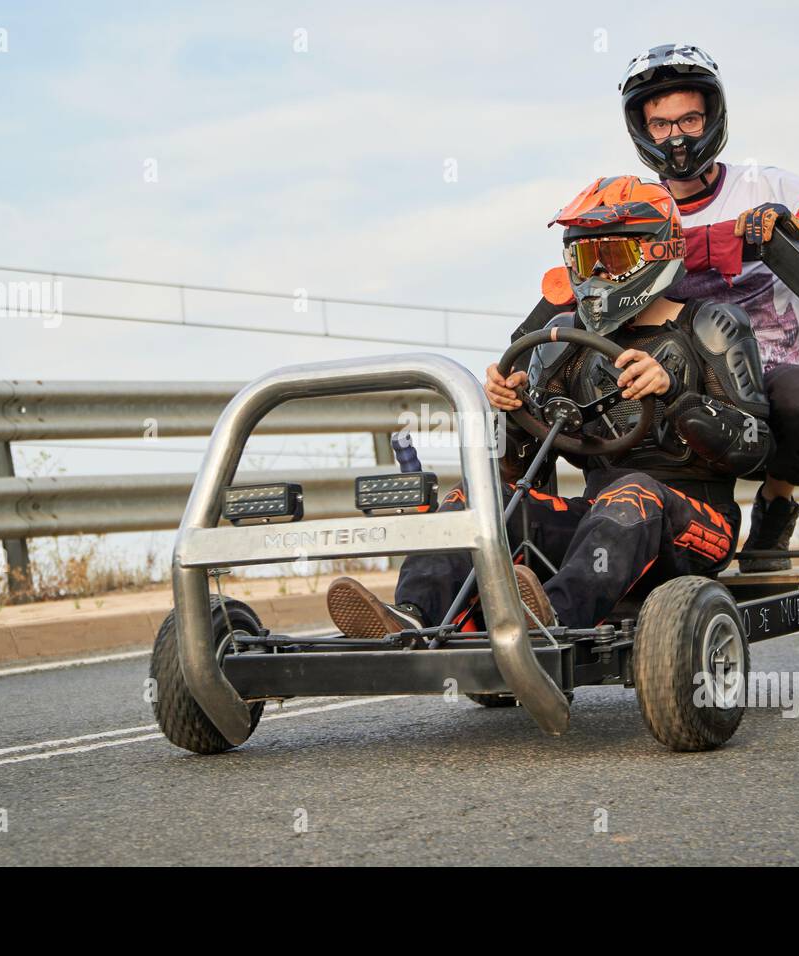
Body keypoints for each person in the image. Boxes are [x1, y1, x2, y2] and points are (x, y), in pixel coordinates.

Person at [517, 44, 799, 570]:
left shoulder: (771, 185)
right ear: (642, 130)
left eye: (689, 119)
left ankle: (776, 501)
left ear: (713, 117)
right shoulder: (637, 206)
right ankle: (544, 539)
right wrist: (514, 368)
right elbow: (581, 285)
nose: (676, 137)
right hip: (676, 373)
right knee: (526, 390)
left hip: (771, 376)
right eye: (661, 125)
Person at [327, 176, 771, 640]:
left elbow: (757, 450)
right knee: (476, 498)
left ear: (658, 252)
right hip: (599, 520)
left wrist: (677, 398)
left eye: (613, 257)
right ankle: (415, 616)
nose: (597, 272)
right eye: (585, 258)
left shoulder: (712, 326)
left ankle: (550, 620)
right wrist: (512, 411)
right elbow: (523, 469)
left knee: (634, 491)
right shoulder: (562, 342)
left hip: (700, 526)